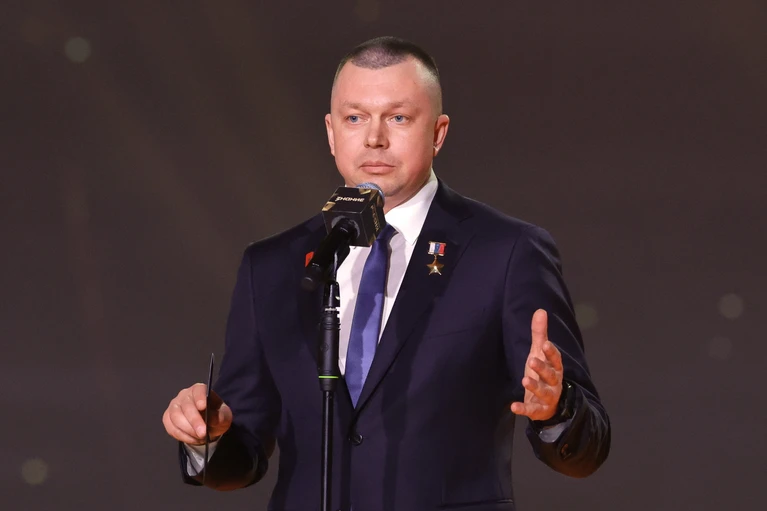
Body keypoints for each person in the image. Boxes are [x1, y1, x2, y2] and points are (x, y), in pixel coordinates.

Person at [162, 36, 610, 511]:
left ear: (437, 133)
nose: (374, 138)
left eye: (398, 118)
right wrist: (208, 436)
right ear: (332, 132)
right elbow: (242, 456)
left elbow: (588, 450)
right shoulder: (271, 266)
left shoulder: (506, 251)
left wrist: (556, 410)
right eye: (355, 118)